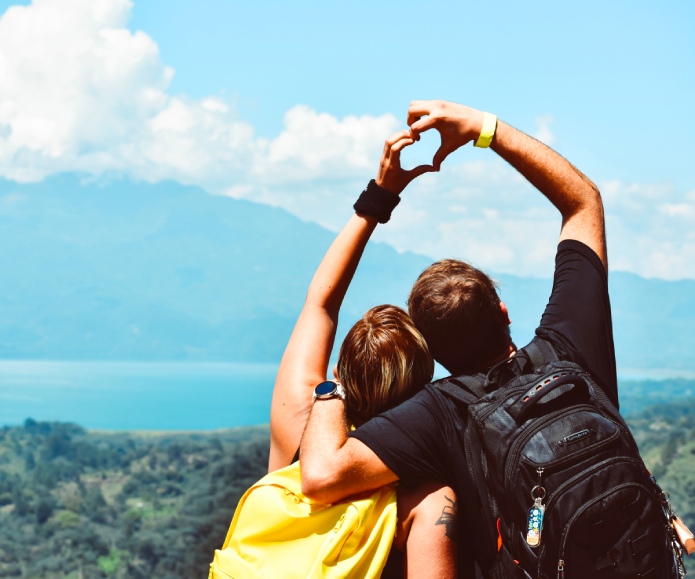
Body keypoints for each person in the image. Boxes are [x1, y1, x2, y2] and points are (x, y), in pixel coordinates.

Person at [298, 100, 618, 577]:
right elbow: (583, 200)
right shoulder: (570, 346)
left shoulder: (440, 413)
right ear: (504, 313)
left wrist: (333, 388)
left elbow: (321, 475)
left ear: (431, 351)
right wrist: (482, 129)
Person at [268, 128, 457, 577]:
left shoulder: (297, 421)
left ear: (339, 370)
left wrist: (381, 196)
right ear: (422, 388)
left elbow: (321, 301)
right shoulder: (425, 495)